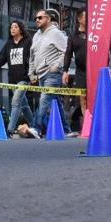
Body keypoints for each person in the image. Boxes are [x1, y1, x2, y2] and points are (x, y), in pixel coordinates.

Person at [0, 19, 33, 133]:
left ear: (20, 29)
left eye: (15, 27)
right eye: (11, 27)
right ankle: (35, 125)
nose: (12, 29)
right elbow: (0, 59)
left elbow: (32, 58)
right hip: (12, 80)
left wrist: (33, 74)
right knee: (24, 106)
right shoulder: (9, 44)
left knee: (15, 102)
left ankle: (10, 130)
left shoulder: (28, 42)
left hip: (24, 79)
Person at [25, 9, 67, 137]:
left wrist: (56, 66)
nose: (37, 20)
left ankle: (36, 128)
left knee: (44, 99)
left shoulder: (56, 33)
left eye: (40, 17)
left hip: (53, 74)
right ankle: (66, 129)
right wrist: (31, 73)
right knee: (55, 101)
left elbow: (67, 52)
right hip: (41, 74)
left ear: (48, 19)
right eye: (36, 18)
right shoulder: (37, 35)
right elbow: (33, 55)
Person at [63, 11, 88, 132]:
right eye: (86, 16)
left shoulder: (94, 34)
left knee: (94, 97)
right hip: (80, 72)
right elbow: (68, 54)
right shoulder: (73, 36)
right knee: (82, 97)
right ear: (79, 19)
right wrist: (65, 71)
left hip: (95, 70)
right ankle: (87, 125)